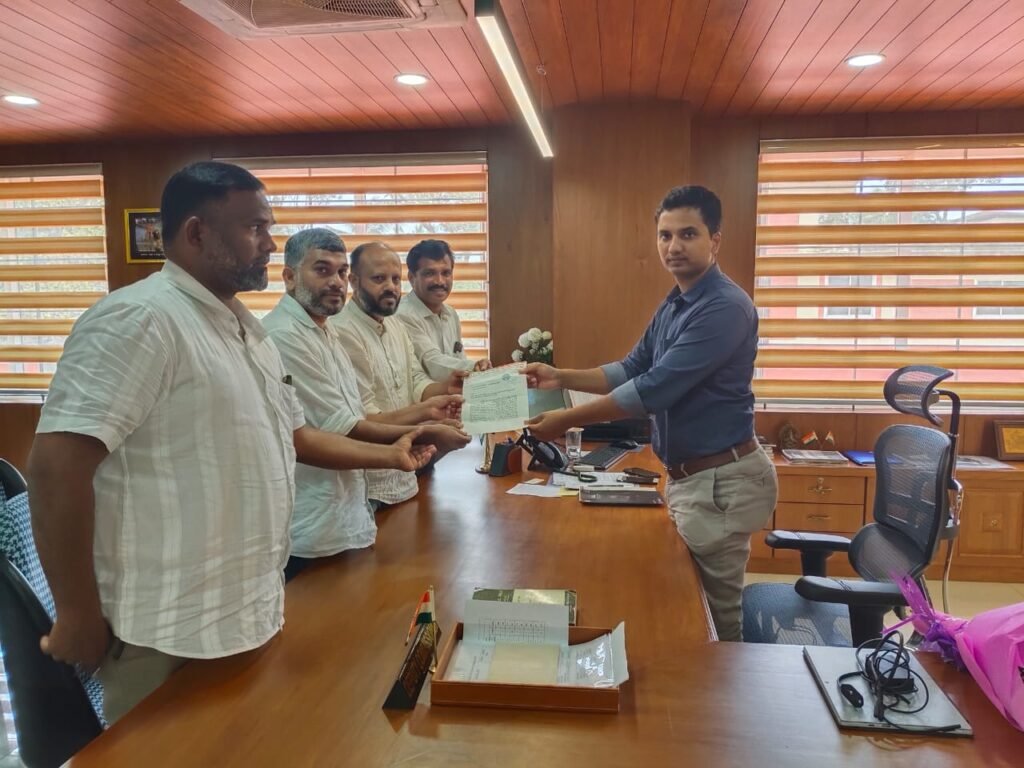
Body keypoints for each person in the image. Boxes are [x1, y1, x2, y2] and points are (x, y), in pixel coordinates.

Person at [27, 162, 434, 724]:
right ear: (196, 233)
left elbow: (294, 436)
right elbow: (56, 469)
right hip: (166, 627)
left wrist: (393, 452)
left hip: (245, 610)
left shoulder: (244, 330)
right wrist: (75, 613)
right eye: (254, 228)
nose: (269, 244)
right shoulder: (138, 319)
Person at [523, 185, 778, 642]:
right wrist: (559, 377)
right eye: (665, 235)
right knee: (686, 601)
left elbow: (654, 389)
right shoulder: (676, 301)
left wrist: (566, 420)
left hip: (721, 480)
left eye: (688, 234)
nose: (673, 246)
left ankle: (723, 685)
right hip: (693, 478)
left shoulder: (724, 307)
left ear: (715, 240)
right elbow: (631, 368)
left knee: (715, 617)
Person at [264, 229, 470, 580]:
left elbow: (372, 405)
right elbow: (345, 427)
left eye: (340, 271)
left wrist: (432, 406)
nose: (335, 281)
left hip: (350, 509)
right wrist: (421, 434)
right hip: (313, 522)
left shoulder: (326, 330)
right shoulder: (288, 335)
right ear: (289, 277)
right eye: (322, 270)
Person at [333, 241, 470, 507]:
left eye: (395, 279)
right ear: (353, 281)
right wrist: (430, 424)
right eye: (379, 279)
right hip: (369, 488)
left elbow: (416, 381)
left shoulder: (395, 324)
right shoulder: (342, 332)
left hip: (407, 476)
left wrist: (447, 388)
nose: (391, 287)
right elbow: (364, 420)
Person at [395, 238, 491, 381]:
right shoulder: (402, 315)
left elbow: (458, 360)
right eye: (429, 273)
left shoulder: (450, 314)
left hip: (452, 394)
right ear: (411, 277)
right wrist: (474, 367)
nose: (439, 281)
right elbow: (431, 362)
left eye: (446, 273)